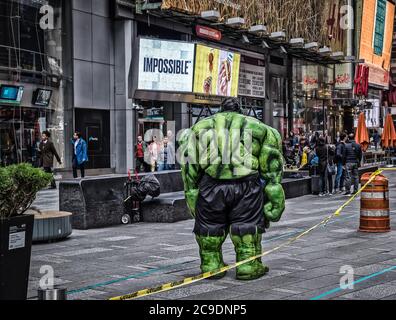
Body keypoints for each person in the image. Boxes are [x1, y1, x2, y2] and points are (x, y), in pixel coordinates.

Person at [180, 97, 285, 281]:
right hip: (246, 185)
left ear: (220, 110)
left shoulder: (198, 129)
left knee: (209, 228)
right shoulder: (260, 128)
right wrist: (275, 196)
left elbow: (189, 168)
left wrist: (191, 194)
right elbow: (271, 166)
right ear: (240, 110)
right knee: (246, 226)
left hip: (211, 185)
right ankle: (248, 266)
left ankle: (211, 266)